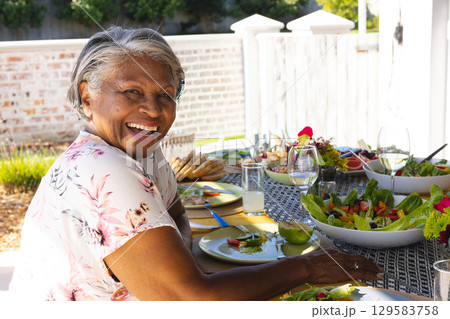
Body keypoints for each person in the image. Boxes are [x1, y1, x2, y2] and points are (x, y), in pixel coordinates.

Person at [9, 26, 382, 301]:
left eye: (165, 95)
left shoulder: (141, 151)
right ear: (87, 96)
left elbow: (176, 213)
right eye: (132, 92)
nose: (153, 111)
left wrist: (177, 258)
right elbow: (191, 302)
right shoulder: (103, 169)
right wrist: (309, 267)